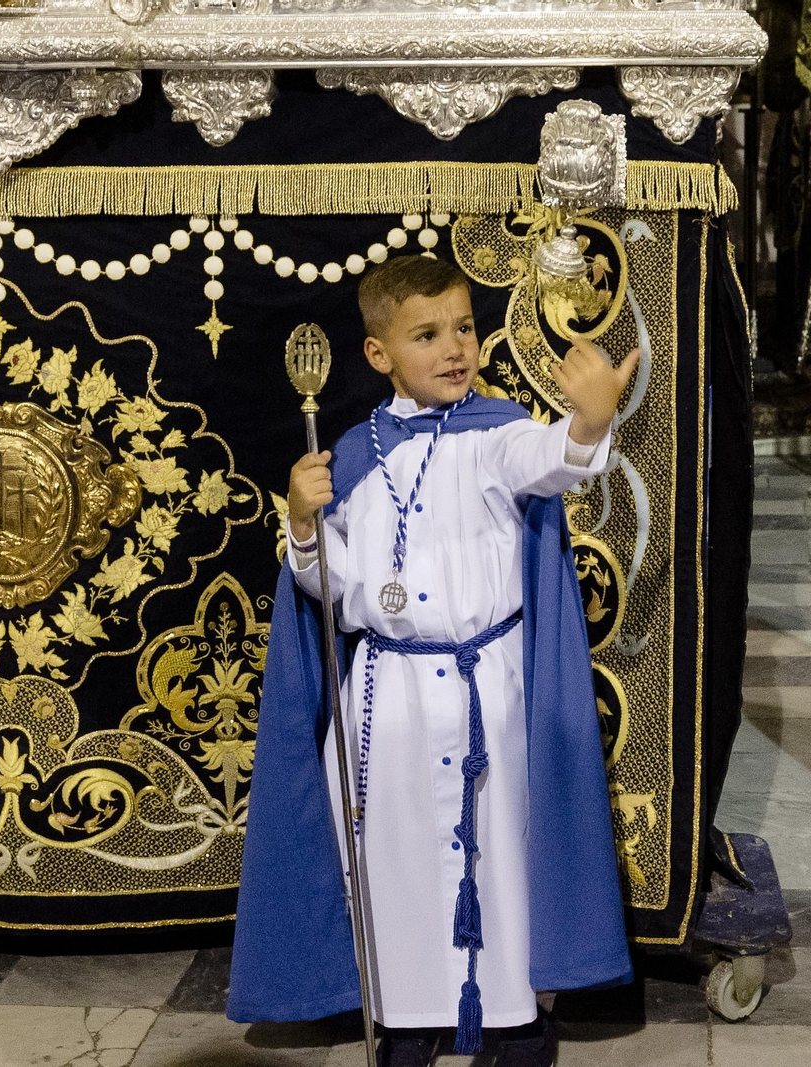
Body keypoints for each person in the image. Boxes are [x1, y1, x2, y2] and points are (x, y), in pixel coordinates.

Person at [228, 254, 634, 1067]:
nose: (455, 348)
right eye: (427, 334)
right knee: (396, 856)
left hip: (492, 686)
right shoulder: (348, 456)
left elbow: (550, 457)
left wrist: (587, 424)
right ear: (379, 355)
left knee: (500, 848)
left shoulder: (496, 435)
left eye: (465, 328)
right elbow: (328, 588)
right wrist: (305, 527)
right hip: (391, 693)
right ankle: (408, 1011)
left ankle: (514, 1015)